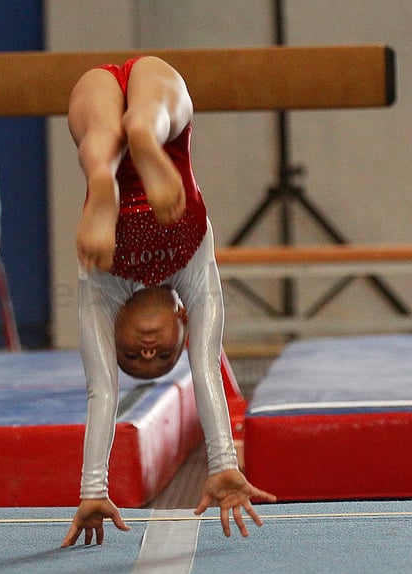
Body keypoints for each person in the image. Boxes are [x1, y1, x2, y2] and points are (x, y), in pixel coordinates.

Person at [61, 56, 275, 548]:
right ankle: (141, 137)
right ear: (184, 320)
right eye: (162, 354)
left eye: (133, 356)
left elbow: (103, 393)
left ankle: (103, 177)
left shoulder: (100, 287)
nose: (150, 349)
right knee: (149, 121)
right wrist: (222, 463)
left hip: (103, 155)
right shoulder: (198, 284)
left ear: (114, 329)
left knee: (98, 138)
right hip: (165, 133)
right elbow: (207, 372)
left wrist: (93, 489)